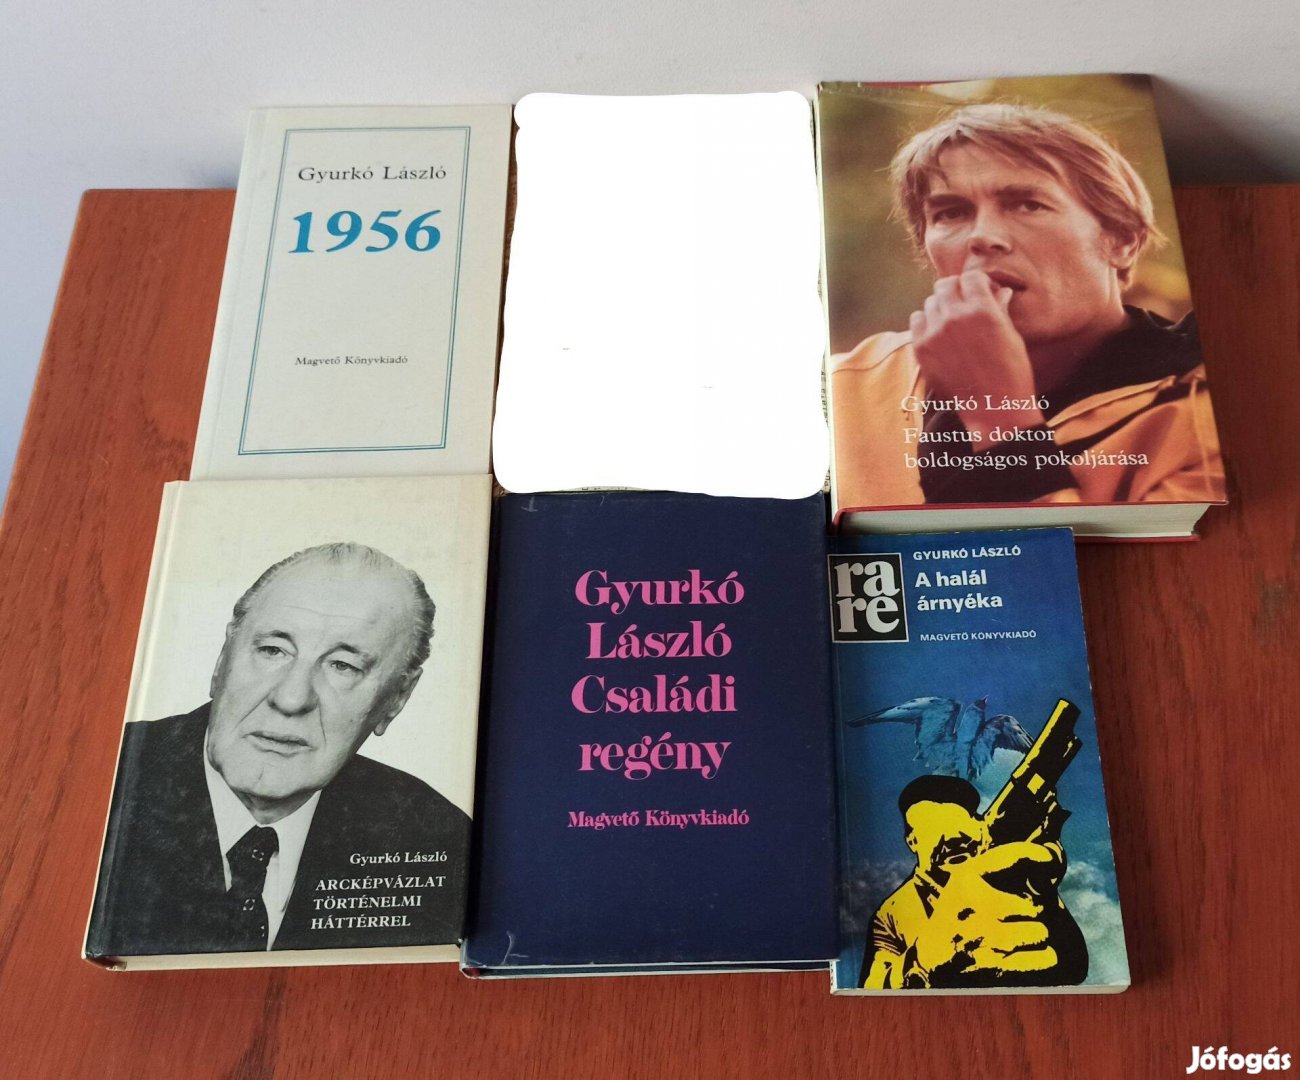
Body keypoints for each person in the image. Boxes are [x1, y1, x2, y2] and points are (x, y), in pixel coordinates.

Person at [831, 103, 1224, 508]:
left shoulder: (1200, 419)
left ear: (1122, 240)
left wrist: (997, 416)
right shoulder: (847, 386)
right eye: (951, 213)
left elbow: (1070, 551)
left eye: (1027, 205)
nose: (982, 237)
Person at [89, 542, 470, 957]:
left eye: (343, 665)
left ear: (397, 698)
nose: (291, 699)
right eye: (273, 650)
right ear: (222, 659)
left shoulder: (439, 839)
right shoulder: (106, 780)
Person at [861, 775, 1086, 989]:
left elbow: (1074, 967)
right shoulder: (892, 914)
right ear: (912, 841)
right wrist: (924, 962)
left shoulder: (1005, 878)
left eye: (963, 822)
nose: (955, 837)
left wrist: (1043, 890)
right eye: (935, 827)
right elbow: (874, 990)